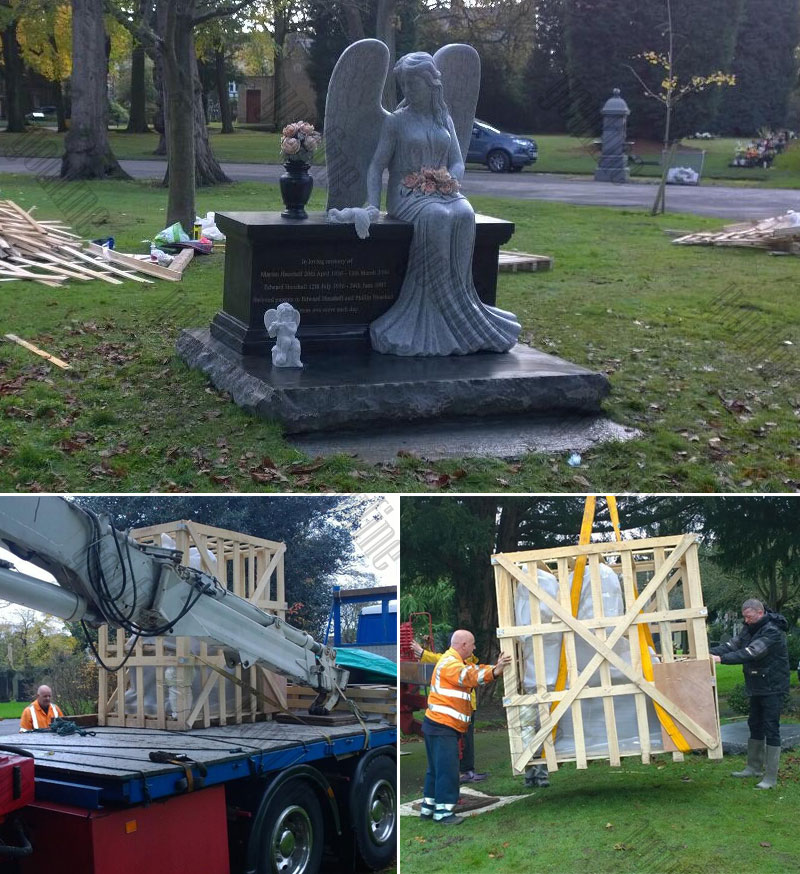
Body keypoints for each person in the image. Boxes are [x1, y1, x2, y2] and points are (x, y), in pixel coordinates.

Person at [365, 52, 521, 356]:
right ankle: (431, 310)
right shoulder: (396, 122)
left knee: (464, 214)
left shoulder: (443, 119)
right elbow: (375, 167)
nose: (409, 91)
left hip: (440, 188)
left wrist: (447, 179)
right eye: (405, 85)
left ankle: (462, 306)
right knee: (436, 216)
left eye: (414, 84)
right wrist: (372, 205)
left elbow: (457, 162)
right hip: (405, 193)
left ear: (430, 83)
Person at [420, 629, 511, 824]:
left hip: (437, 724)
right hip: (443, 725)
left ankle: (428, 808)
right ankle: (444, 813)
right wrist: (495, 671)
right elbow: (468, 676)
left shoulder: (451, 660)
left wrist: (494, 666)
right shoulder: (452, 664)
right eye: (472, 644)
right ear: (463, 645)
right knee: (448, 770)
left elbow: (472, 669)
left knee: (436, 769)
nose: (474, 647)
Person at [710, 598, 789, 789]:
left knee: (771, 728)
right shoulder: (750, 629)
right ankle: (754, 767)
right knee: (754, 723)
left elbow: (752, 652)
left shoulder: (772, 631)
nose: (746, 620)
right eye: (745, 617)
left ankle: (770, 777)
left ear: (759, 613)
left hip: (772, 687)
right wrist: (706, 653)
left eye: (749, 617)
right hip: (757, 685)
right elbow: (732, 646)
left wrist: (720, 659)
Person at [411, 638, 487, 783]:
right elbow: (437, 658)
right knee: (460, 742)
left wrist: (422, 652)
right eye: (472, 645)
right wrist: (422, 652)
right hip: (459, 711)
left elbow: (437, 658)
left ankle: (466, 770)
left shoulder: (463, 661)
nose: (474, 648)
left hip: (466, 708)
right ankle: (464, 771)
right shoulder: (453, 661)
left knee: (466, 740)